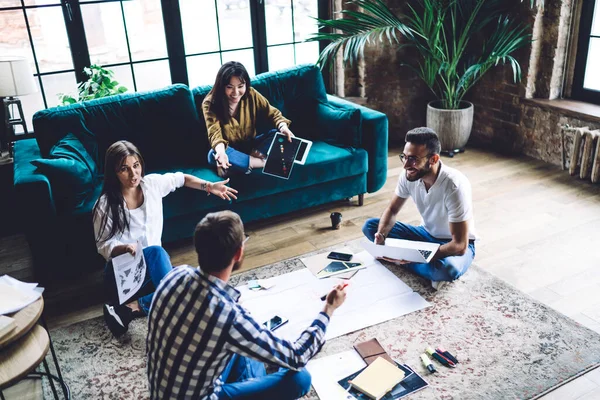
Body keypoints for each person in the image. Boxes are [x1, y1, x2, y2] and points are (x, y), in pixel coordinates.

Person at [147, 211, 348, 399]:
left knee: (241, 347)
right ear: (238, 253)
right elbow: (297, 355)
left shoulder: (175, 274)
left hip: (162, 391)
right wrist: (329, 308)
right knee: (300, 378)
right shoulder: (229, 317)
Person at [93, 140, 238, 337]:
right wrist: (124, 248)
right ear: (114, 172)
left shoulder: (151, 185)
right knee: (157, 253)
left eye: (136, 166)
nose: (133, 174)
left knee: (190, 277)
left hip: (149, 276)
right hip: (122, 277)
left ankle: (132, 308)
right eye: (124, 169)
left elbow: (182, 179)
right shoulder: (105, 205)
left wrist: (209, 186)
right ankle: (181, 320)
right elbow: (103, 246)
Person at [362, 127, 478, 290]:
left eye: (413, 159)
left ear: (433, 159)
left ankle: (400, 260)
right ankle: (417, 265)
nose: (406, 165)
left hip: (454, 243)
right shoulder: (409, 175)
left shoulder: (454, 186)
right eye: (404, 157)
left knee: (447, 269)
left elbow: (460, 245)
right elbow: (392, 210)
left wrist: (416, 256)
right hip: (425, 234)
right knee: (370, 226)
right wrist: (381, 235)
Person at [202, 61, 296, 177]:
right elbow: (214, 134)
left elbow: (272, 113)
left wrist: (283, 127)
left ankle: (240, 165)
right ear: (221, 86)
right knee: (213, 154)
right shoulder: (210, 103)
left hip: (251, 145)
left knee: (277, 134)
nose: (236, 93)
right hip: (228, 149)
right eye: (229, 87)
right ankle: (262, 163)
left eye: (240, 86)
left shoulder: (251, 94)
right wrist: (221, 153)